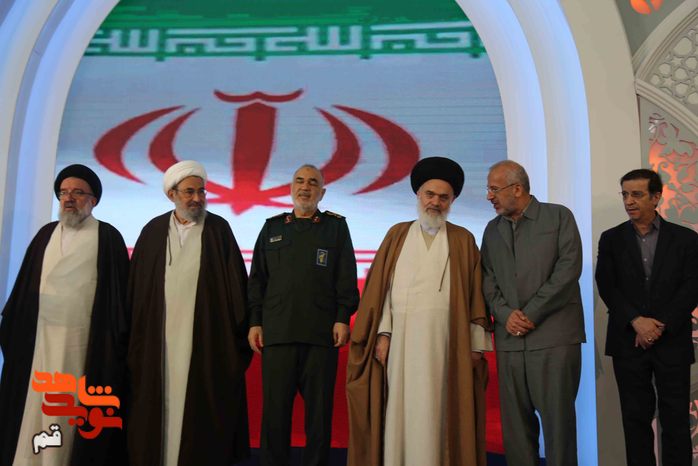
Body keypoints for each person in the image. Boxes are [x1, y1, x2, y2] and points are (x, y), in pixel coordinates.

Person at [346, 156, 491, 466]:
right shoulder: (397, 235)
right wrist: (383, 333)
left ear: (452, 201)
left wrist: (476, 346)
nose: (435, 202)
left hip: (447, 343)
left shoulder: (463, 239)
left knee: (440, 409)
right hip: (402, 343)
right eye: (430, 194)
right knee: (403, 407)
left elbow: (475, 297)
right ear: (418, 194)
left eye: (443, 197)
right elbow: (382, 292)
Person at [0, 164, 129, 466]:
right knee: (34, 405)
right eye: (63, 193)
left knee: (70, 408)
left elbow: (120, 299)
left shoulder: (107, 237)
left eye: (77, 193)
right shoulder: (45, 235)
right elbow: (23, 291)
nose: (69, 198)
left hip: (82, 345)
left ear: (93, 200)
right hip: (39, 342)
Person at [127, 160, 252, 466]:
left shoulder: (218, 229)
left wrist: (237, 337)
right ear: (172, 194)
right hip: (158, 344)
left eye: (201, 191)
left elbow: (237, 289)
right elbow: (136, 292)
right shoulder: (153, 231)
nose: (197, 198)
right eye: (189, 192)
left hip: (205, 344)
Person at [247, 163, 359, 466]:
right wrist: (255, 321)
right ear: (291, 188)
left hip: (320, 335)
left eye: (312, 182)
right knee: (274, 416)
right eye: (299, 181)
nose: (305, 187)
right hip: (278, 333)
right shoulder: (272, 227)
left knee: (319, 417)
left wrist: (342, 317)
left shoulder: (336, 227)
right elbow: (257, 280)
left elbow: (346, 276)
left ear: (322, 192)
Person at [480, 160, 585, 466]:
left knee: (558, 427)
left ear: (517, 189)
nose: (489, 196)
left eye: (494, 189)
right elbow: (487, 279)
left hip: (554, 339)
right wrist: (505, 315)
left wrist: (530, 313)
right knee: (516, 430)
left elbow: (568, 270)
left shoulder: (559, 217)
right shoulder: (492, 230)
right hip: (510, 342)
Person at [595, 168, 698, 466]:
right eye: (625, 194)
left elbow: (692, 286)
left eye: (637, 194)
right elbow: (607, 285)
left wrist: (658, 325)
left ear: (656, 197)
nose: (629, 201)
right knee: (635, 420)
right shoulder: (611, 238)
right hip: (628, 340)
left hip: (672, 340)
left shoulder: (686, 239)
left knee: (676, 420)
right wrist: (637, 321)